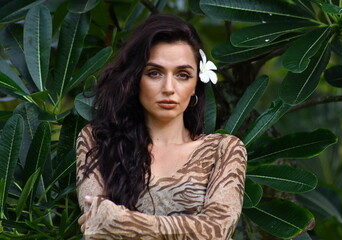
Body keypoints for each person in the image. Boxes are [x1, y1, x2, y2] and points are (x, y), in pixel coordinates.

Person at [76, 14, 247, 240]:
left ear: (196, 85)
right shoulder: (97, 140)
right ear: (136, 78)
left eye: (183, 75)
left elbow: (216, 231)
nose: (168, 88)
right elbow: (95, 222)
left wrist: (121, 220)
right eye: (154, 73)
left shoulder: (223, 149)